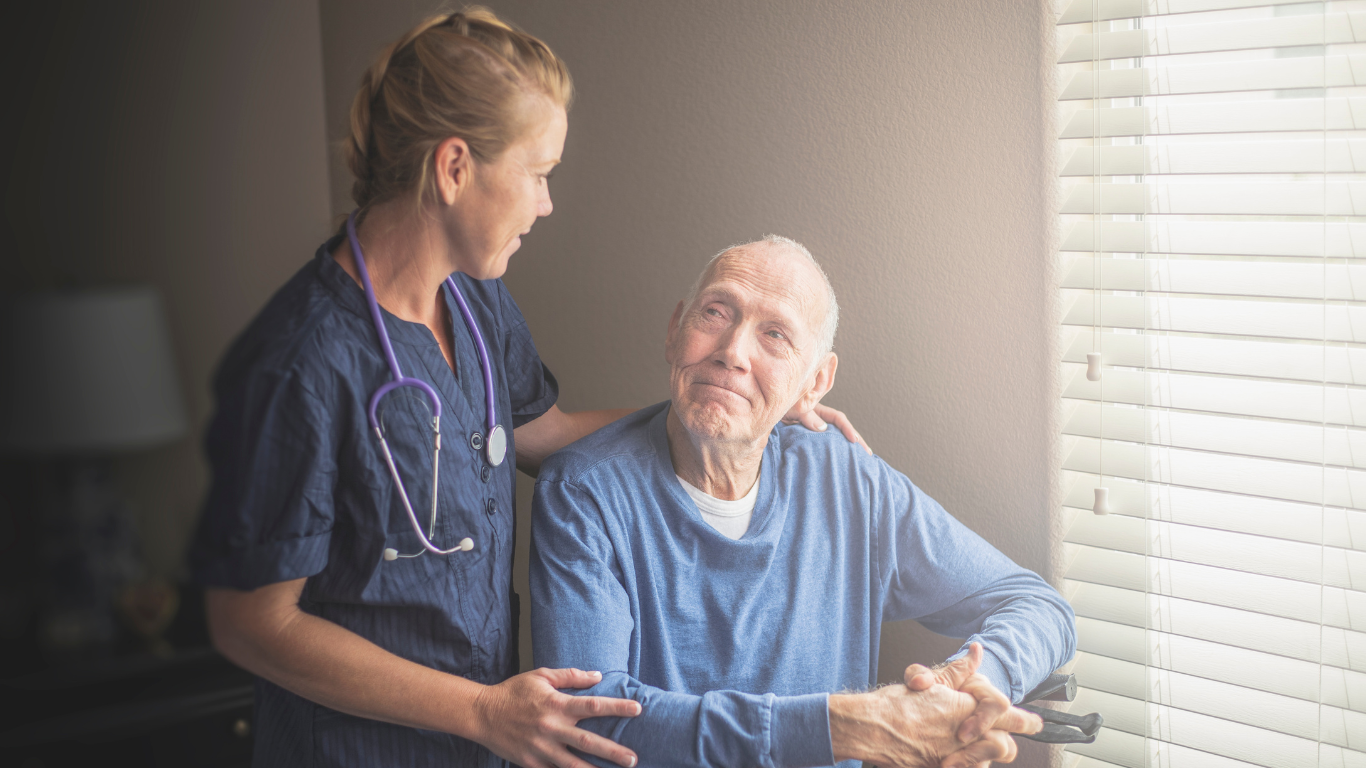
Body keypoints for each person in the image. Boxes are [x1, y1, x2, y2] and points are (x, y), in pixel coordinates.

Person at [187, 11, 863, 768]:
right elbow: (251, 622)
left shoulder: (474, 303)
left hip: (480, 743)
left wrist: (740, 411)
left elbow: (545, 435)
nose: (546, 203)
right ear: (453, 168)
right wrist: (478, 710)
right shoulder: (301, 361)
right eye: (538, 174)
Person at [530, 236, 1077, 768]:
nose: (732, 353)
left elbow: (1035, 605)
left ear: (814, 382)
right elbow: (589, 722)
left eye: (775, 335)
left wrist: (972, 686)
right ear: (676, 331)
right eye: (716, 312)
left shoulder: (848, 482)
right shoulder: (582, 494)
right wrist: (845, 727)